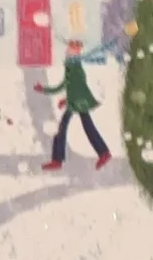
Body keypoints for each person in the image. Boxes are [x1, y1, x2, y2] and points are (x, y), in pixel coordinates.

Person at [37, 39, 111, 171]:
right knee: (86, 127)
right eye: (68, 48)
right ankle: (103, 153)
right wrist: (59, 96)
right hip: (76, 101)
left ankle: (58, 159)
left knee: (66, 127)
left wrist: (64, 99)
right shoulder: (71, 66)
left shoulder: (74, 66)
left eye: (70, 49)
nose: (67, 51)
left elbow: (76, 86)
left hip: (78, 102)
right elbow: (68, 85)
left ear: (76, 52)